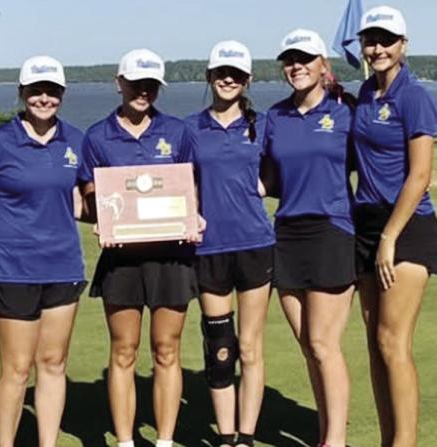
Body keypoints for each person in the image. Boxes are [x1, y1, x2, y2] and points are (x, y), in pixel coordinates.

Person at [80, 48, 200, 447]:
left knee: (167, 349)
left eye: (151, 84)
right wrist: (103, 213)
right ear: (119, 83)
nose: (143, 91)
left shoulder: (177, 132)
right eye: (136, 83)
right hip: (122, 259)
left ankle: (165, 440)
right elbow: (90, 191)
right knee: (124, 351)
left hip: (171, 256)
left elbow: (189, 189)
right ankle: (127, 441)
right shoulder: (97, 136)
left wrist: (193, 217)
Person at [0, 55, 87, 447]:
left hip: (63, 267)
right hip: (13, 270)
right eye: (36, 90)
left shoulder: (76, 140)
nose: (44, 98)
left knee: (53, 364)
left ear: (62, 94)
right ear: (22, 93)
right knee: (17, 369)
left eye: (52, 91)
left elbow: (91, 201)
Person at [262, 30, 356, 447]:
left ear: (323, 65)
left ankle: (333, 441)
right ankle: (326, 433)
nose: (296, 66)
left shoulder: (346, 109)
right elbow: (265, 179)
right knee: (308, 346)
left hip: (332, 229)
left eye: (304, 59)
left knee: (322, 341)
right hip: (288, 233)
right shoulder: (275, 116)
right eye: (289, 59)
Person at [353, 6, 437, 447]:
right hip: (365, 224)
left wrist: (389, 238)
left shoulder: (415, 96)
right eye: (371, 40)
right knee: (374, 345)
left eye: (387, 40)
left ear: (404, 45)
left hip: (405, 227)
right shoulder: (365, 93)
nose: (378, 48)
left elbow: (420, 174)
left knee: (392, 342)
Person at [185, 40, 274, 447]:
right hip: (209, 248)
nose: (228, 79)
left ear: (247, 80)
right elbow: (177, 186)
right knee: (220, 346)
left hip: (254, 244)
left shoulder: (262, 125)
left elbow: (280, 170)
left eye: (236, 74)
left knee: (251, 347)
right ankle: (226, 436)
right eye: (221, 72)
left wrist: (263, 184)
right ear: (209, 76)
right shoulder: (190, 128)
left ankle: (247, 437)